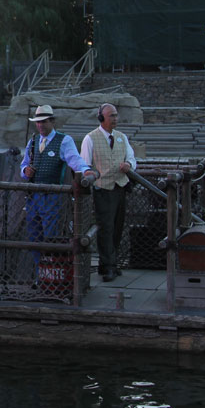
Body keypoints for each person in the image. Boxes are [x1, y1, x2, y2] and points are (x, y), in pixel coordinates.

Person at [20, 105, 97, 274]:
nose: (41, 125)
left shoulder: (64, 140)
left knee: (51, 235)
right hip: (34, 195)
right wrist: (25, 171)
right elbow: (24, 164)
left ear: (52, 122)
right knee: (34, 235)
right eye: (38, 122)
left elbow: (74, 159)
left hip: (53, 195)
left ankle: (51, 272)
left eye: (44, 122)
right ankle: (39, 272)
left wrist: (85, 170)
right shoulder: (33, 141)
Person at [80, 103, 137, 283]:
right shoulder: (90, 138)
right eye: (111, 116)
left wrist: (129, 165)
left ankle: (110, 264)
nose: (115, 119)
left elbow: (132, 158)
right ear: (101, 118)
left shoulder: (122, 137)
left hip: (120, 186)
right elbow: (84, 165)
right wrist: (90, 174)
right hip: (103, 189)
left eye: (116, 116)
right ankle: (109, 266)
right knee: (106, 228)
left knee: (118, 226)